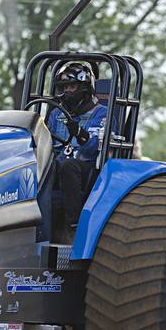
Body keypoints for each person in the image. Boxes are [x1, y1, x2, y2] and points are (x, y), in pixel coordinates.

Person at [46, 63, 113, 242]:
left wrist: (79, 133)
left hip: (87, 169)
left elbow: (93, 150)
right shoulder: (55, 114)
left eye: (72, 86)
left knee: (69, 166)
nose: (67, 91)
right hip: (57, 164)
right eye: (65, 87)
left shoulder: (101, 114)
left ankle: (73, 227)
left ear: (84, 87)